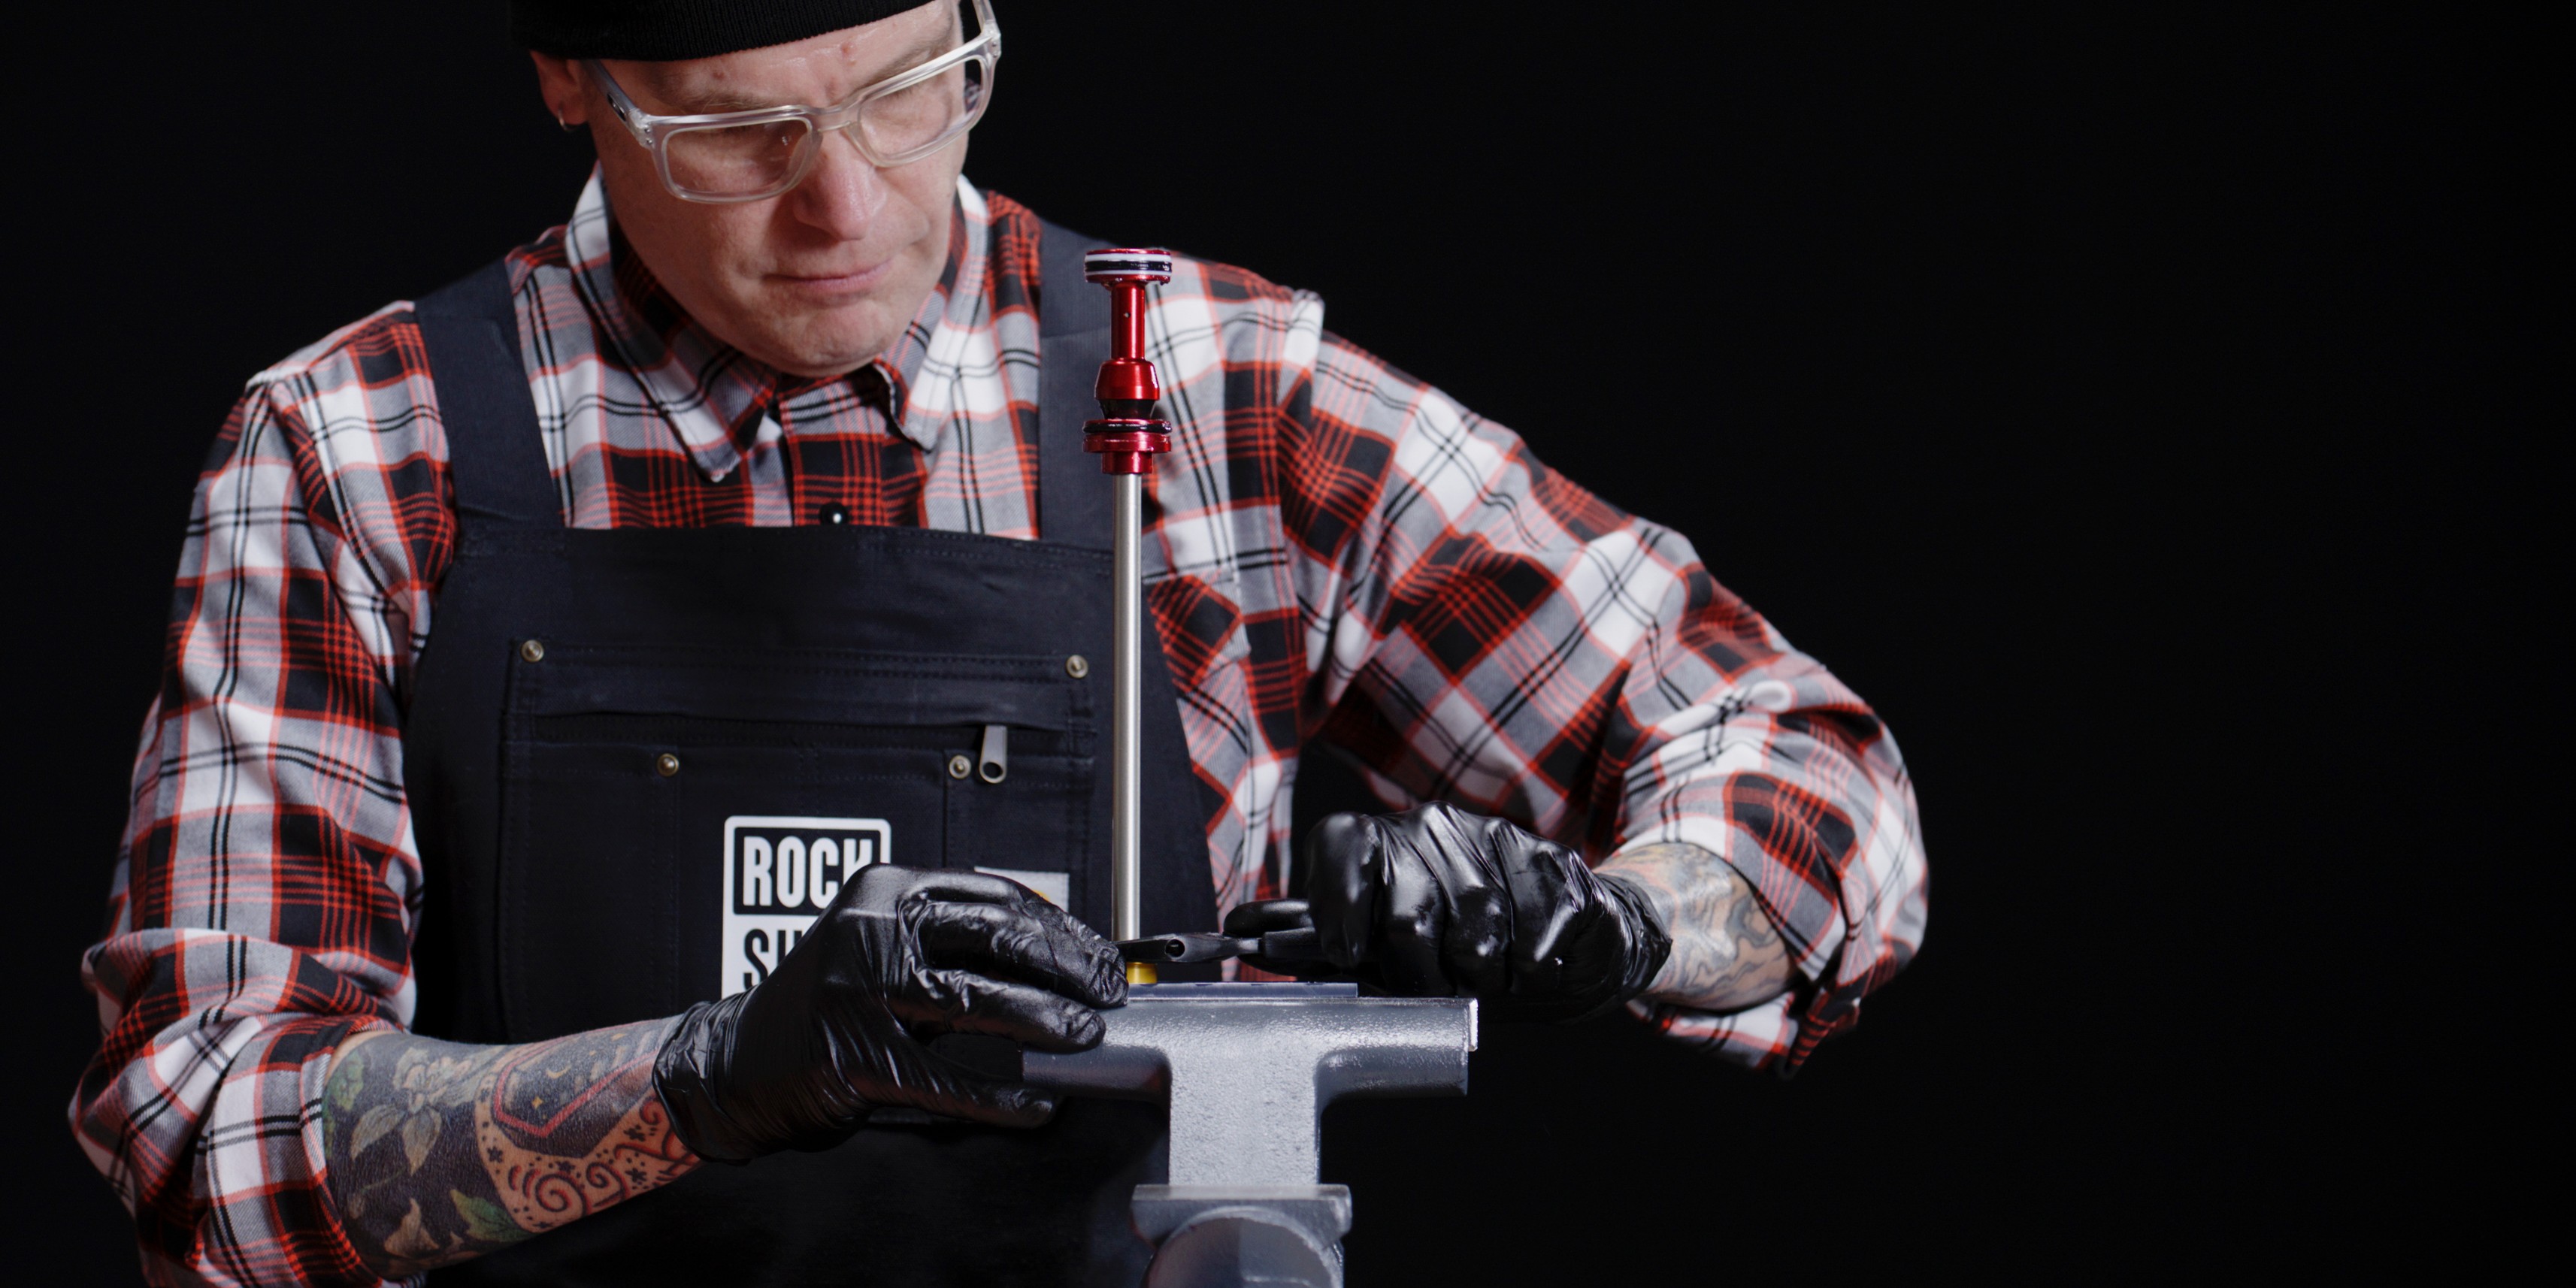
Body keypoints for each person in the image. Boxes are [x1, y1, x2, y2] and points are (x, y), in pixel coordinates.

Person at [69, 2, 1929, 1283]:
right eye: (740, 130)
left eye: (911, 86)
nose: (849, 200)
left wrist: (1626, 920)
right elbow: (209, 1133)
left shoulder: (1214, 396)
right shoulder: (358, 453)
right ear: (570, 74)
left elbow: (1803, 772)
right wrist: (717, 1074)